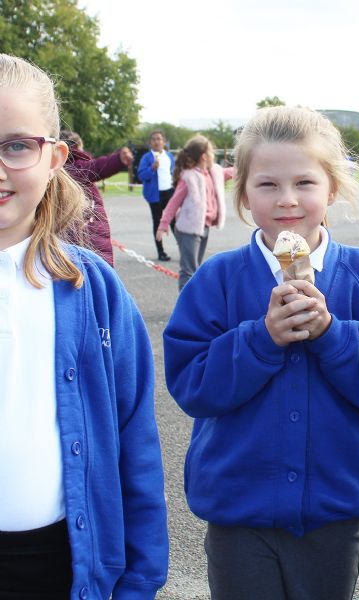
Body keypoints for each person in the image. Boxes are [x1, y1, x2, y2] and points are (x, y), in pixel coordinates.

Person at [163, 106, 359, 600]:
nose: (287, 199)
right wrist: (261, 340)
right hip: (239, 511)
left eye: (305, 182)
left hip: (333, 511)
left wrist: (332, 334)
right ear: (243, 193)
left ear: (332, 188)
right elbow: (191, 385)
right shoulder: (217, 279)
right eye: (268, 185)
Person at [0, 54, 168, 598]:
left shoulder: (94, 290)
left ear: (55, 158)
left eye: (15, 146)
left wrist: (139, 580)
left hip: (60, 565)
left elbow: (136, 441)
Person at [156, 134, 234, 291]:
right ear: (204, 156)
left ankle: (194, 300)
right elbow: (173, 202)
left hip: (203, 227)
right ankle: (186, 304)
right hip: (188, 229)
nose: (213, 155)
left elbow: (231, 172)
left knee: (195, 269)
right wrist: (163, 225)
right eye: (211, 152)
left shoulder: (212, 173)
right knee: (188, 270)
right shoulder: (189, 176)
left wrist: (250, 165)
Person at [60, 130, 133, 266]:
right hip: (87, 236)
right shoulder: (73, 166)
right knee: (96, 272)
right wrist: (117, 160)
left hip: (83, 233)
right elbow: (95, 167)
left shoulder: (58, 169)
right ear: (78, 146)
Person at [137, 130, 175, 261]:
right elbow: (141, 175)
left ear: (164, 142)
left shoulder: (169, 156)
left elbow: (173, 172)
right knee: (158, 222)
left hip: (169, 193)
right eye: (153, 139)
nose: (156, 141)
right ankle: (161, 252)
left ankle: (184, 249)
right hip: (154, 195)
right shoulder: (147, 158)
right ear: (150, 143)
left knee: (174, 221)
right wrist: (152, 168)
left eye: (159, 139)